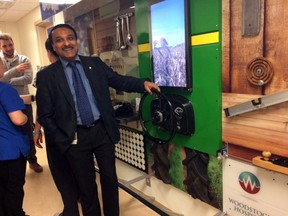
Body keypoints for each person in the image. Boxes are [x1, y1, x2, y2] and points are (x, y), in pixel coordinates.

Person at [36, 23, 160, 216]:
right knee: (86, 187)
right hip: (75, 138)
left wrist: (142, 83)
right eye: (59, 40)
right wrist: (64, 140)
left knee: (110, 180)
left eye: (70, 38)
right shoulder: (46, 76)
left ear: (76, 41)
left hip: (102, 131)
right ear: (53, 46)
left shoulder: (94, 64)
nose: (66, 43)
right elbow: (44, 115)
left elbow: (118, 80)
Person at [34, 38, 80, 216]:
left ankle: (70, 210)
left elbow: (42, 107)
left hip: (57, 134)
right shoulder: (75, 71)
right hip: (76, 132)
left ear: (49, 52)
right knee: (78, 171)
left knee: (62, 173)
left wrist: (37, 129)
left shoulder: (45, 75)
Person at [0, 33, 43, 173]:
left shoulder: (24, 59)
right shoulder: (0, 61)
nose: (8, 48)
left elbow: (28, 78)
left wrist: (9, 80)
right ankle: (15, 162)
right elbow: (1, 82)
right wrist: (15, 71)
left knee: (28, 132)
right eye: (4, 46)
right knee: (8, 131)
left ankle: (32, 160)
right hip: (4, 102)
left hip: (23, 102)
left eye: (10, 44)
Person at [0, 59, 30, 216]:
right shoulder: (5, 89)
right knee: (13, 189)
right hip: (9, 152)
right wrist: (25, 118)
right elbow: (18, 119)